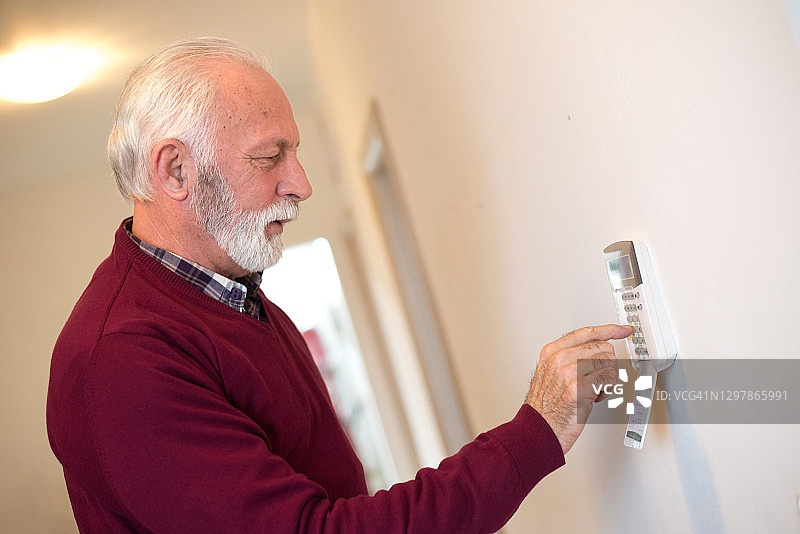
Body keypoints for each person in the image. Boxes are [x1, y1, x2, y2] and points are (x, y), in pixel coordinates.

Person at [47, 37, 631, 533]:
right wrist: (536, 432)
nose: (300, 184)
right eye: (269, 157)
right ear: (175, 170)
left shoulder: (230, 292)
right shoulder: (123, 360)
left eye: (294, 153)